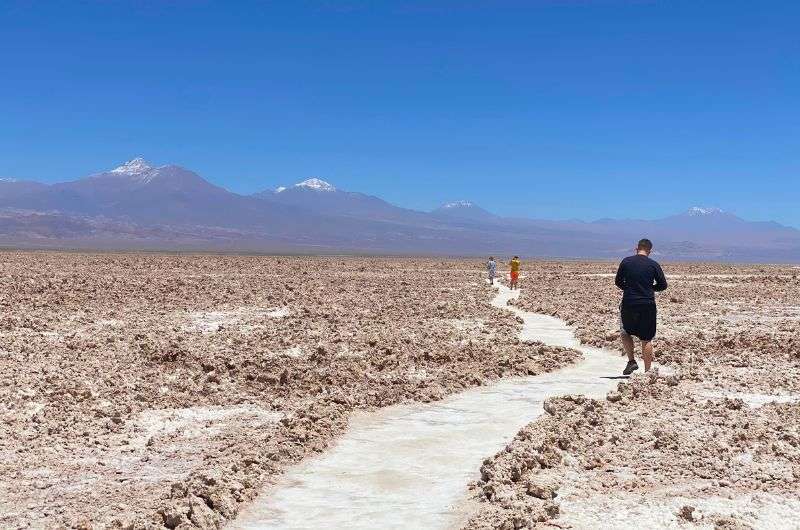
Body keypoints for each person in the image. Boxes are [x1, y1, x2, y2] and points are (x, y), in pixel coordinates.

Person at [615, 238, 668, 375]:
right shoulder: (653, 264)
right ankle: (647, 371)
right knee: (646, 338)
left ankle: (631, 361)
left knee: (625, 331)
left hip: (629, 303)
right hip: (647, 304)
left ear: (636, 248)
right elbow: (663, 285)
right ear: (650, 251)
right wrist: (649, 288)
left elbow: (618, 281)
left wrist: (629, 289)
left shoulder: (626, 261)